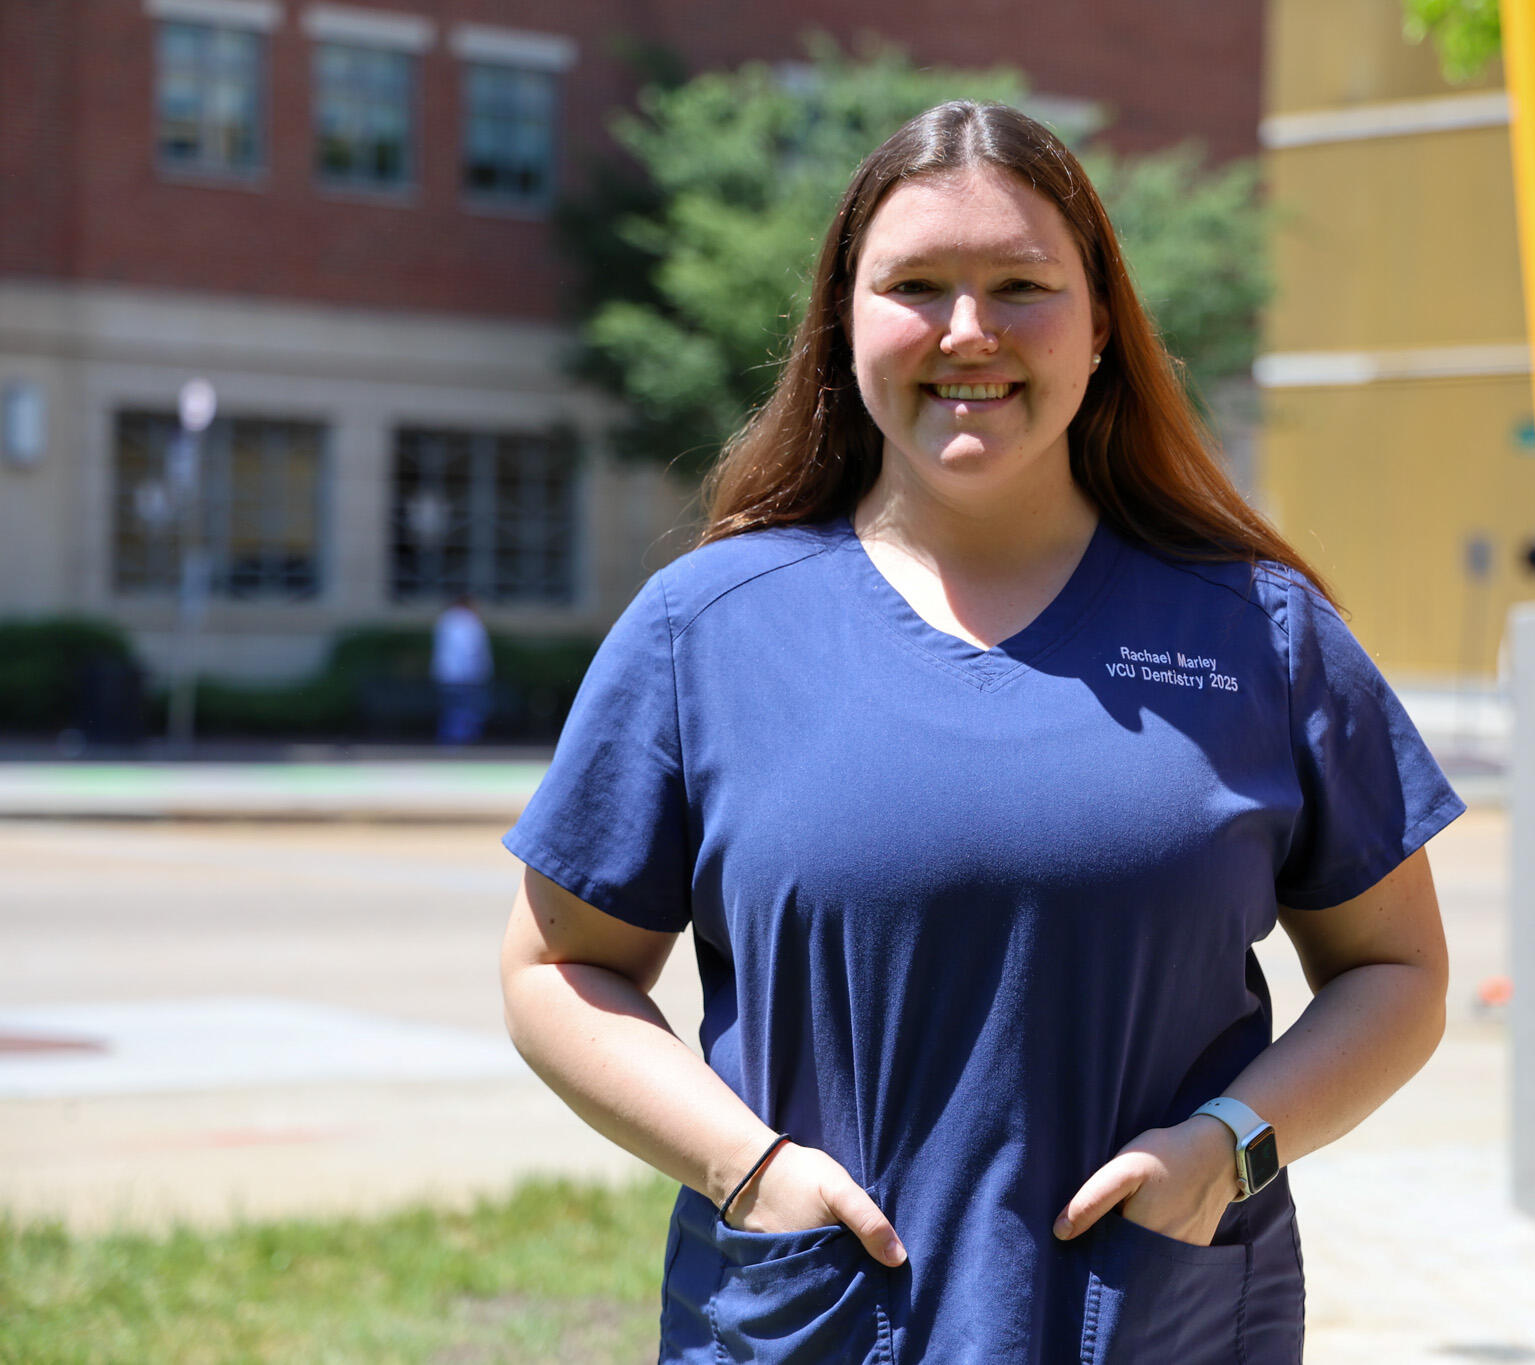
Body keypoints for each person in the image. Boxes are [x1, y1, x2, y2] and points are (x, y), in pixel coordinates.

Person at [499, 100, 1462, 1364]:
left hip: (1153, 1324)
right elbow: (554, 971)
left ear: (1101, 323)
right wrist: (752, 1173)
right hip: (817, 1327)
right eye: (915, 285)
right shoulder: (706, 630)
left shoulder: (1257, 634)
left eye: (1020, 284)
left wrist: (1224, 1150)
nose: (968, 332)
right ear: (844, 320)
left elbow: (1397, 975)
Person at [432, 593, 492, 745]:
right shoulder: (469, 621)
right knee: (465, 710)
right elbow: (470, 650)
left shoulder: (446, 620)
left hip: (447, 673)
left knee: (451, 709)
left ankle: (451, 741)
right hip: (466, 675)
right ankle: (461, 741)